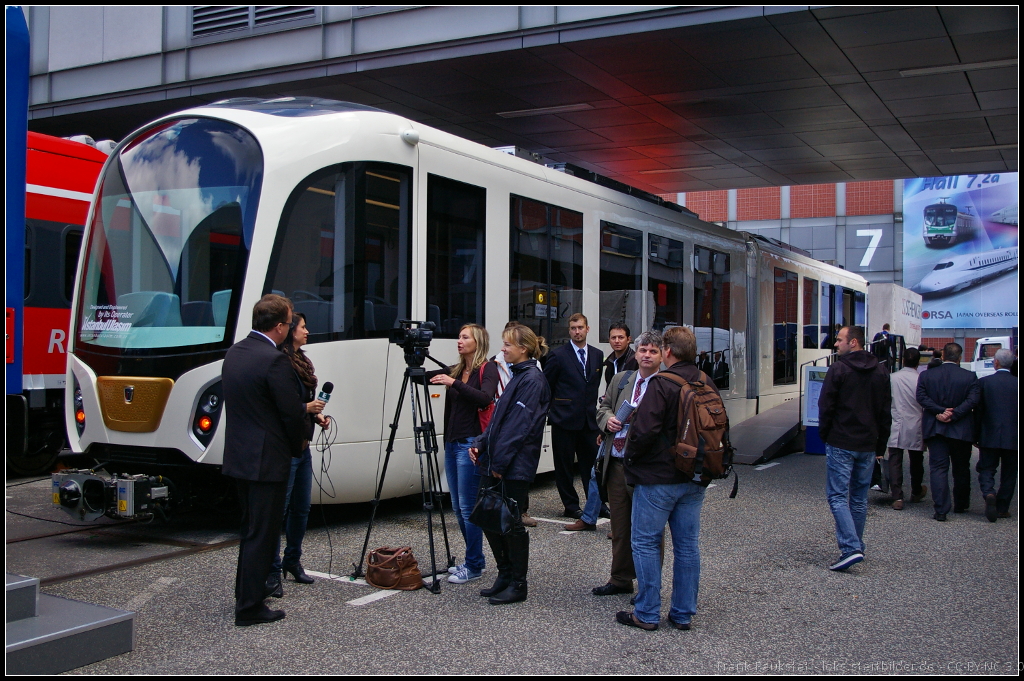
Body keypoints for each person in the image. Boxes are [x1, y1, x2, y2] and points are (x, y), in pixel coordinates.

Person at [222, 294, 316, 626]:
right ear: (278, 327)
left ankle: (243, 593)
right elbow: (290, 413)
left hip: (239, 457)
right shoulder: (273, 360)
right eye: (290, 323)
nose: (291, 328)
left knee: (251, 531)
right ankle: (250, 606)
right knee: (263, 534)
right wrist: (296, 447)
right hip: (267, 460)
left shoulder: (236, 352)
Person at [617, 326, 714, 631]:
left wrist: (631, 459)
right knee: (687, 546)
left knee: (644, 542)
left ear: (668, 352)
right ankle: (683, 613)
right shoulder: (704, 381)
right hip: (695, 476)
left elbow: (644, 431)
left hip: (659, 477)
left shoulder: (662, 383)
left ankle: (646, 612)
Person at [470, 325, 551, 605]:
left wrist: (499, 463)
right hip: (498, 460)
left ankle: (518, 583)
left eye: (507, 345)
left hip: (511, 465)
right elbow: (498, 421)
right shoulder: (519, 375)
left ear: (523, 349)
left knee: (510, 524)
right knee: (489, 519)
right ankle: (505, 575)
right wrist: (481, 443)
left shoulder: (532, 380)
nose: (502, 349)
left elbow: (518, 428)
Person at [586, 331, 662, 597]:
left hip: (646, 469)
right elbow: (602, 407)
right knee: (620, 528)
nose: (647, 356)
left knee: (648, 533)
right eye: (643, 350)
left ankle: (648, 587)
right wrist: (606, 420)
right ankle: (620, 579)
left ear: (662, 355)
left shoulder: (664, 384)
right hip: (617, 465)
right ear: (636, 352)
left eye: (653, 351)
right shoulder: (621, 380)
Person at [426, 324, 499, 584]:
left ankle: (474, 564)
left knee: (468, 507)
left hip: (470, 443)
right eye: (459, 336)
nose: (459, 340)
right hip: (453, 442)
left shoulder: (486, 369)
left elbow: (485, 398)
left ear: (477, 341)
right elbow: (423, 377)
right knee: (457, 506)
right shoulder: (456, 369)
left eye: (464, 337)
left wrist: (453, 382)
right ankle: (473, 559)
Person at [816, 325, 891, 571]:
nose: (835, 344)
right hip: (868, 444)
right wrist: (880, 444)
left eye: (839, 340)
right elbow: (884, 412)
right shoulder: (881, 371)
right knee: (858, 499)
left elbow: (825, 405)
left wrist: (825, 434)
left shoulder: (838, 369)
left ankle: (850, 548)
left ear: (854, 342)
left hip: (841, 441)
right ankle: (856, 545)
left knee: (837, 496)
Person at [267, 313, 331, 594]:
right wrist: (307, 409)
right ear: (290, 330)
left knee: (301, 509)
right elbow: (283, 405)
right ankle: (271, 570)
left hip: (303, 443)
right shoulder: (279, 362)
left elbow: (303, 402)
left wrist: (316, 415)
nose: (307, 332)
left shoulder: (303, 362)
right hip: (287, 447)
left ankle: (293, 561)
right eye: (303, 327)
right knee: (279, 510)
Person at [542, 313, 604, 519]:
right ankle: (571, 505)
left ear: (588, 329)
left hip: (589, 420)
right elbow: (547, 386)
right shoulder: (558, 355)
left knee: (592, 466)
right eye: (573, 328)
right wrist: (553, 410)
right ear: (569, 331)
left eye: (580, 327)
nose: (577, 331)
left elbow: (592, 385)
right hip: (564, 420)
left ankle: (596, 503)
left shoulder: (597, 354)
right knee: (564, 467)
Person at [916, 342, 979, 522]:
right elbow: (973, 399)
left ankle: (941, 509)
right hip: (961, 428)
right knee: (961, 468)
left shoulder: (927, 375)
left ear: (942, 356)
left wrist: (939, 411)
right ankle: (960, 504)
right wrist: (955, 413)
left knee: (938, 468)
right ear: (959, 358)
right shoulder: (970, 377)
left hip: (936, 428)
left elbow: (921, 397)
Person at [975, 348, 1017, 522]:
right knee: (1010, 472)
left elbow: (978, 411)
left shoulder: (984, 383)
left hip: (989, 433)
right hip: (1014, 435)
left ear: (996, 363)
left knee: (986, 467)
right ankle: (1002, 507)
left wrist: (976, 434)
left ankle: (988, 492)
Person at [885, 346, 926, 510]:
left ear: (902, 361)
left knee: (895, 460)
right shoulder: (921, 379)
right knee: (916, 460)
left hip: (896, 421)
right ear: (918, 362)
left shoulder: (892, 378)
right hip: (916, 422)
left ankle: (897, 496)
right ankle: (916, 491)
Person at [602, 323, 638, 388]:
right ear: (609, 340)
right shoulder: (610, 362)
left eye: (621, 337)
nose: (617, 341)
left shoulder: (636, 361)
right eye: (613, 338)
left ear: (628, 339)